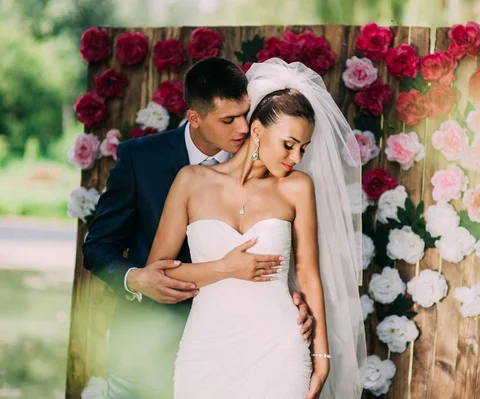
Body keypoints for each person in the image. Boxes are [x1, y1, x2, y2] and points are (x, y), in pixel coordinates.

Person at [82, 57, 315, 398]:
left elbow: (284, 248)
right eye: (228, 119)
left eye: (245, 114)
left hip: (241, 350)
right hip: (150, 346)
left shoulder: (273, 173)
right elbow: (97, 247)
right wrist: (136, 278)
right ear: (195, 117)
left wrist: (291, 297)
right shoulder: (140, 159)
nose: (241, 128)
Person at [147, 58, 366, 399]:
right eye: (289, 144)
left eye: (303, 149)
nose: (296, 158)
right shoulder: (191, 181)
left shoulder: (297, 188)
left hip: (280, 347)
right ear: (258, 130)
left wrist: (322, 357)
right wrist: (226, 268)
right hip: (206, 349)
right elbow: (158, 274)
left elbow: (308, 274)